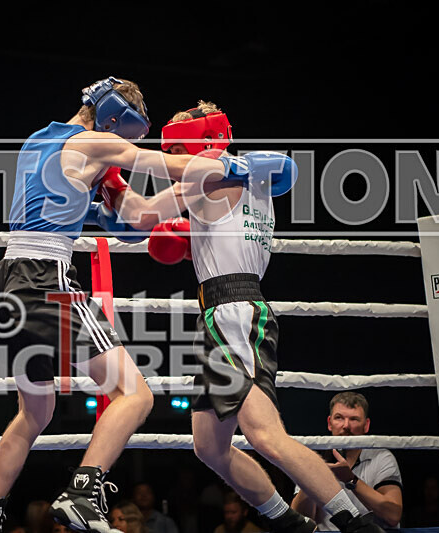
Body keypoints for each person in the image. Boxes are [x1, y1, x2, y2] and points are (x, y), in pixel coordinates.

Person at [0, 76, 252, 533]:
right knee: (135, 395)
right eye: (125, 136)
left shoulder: (42, 140)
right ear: (115, 116)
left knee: (34, 414)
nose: (122, 147)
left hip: (8, 280)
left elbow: (135, 217)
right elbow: (163, 166)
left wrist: (162, 200)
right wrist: (228, 165)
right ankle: (81, 493)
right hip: (47, 279)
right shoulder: (97, 140)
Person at [115, 101, 383, 533]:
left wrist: (111, 179)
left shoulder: (211, 168)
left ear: (200, 140)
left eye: (180, 143)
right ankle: (290, 522)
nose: (174, 157)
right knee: (209, 446)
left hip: (232, 312)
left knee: (265, 436)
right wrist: (189, 243)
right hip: (229, 309)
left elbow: (136, 219)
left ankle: (358, 523)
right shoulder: (249, 176)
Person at [291, 393, 403, 530]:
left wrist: (351, 480)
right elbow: (299, 521)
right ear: (329, 423)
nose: (346, 425)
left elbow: (393, 515)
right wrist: (313, 477)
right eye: (339, 418)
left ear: (366, 425)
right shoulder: (312, 458)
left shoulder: (381, 458)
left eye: (354, 419)